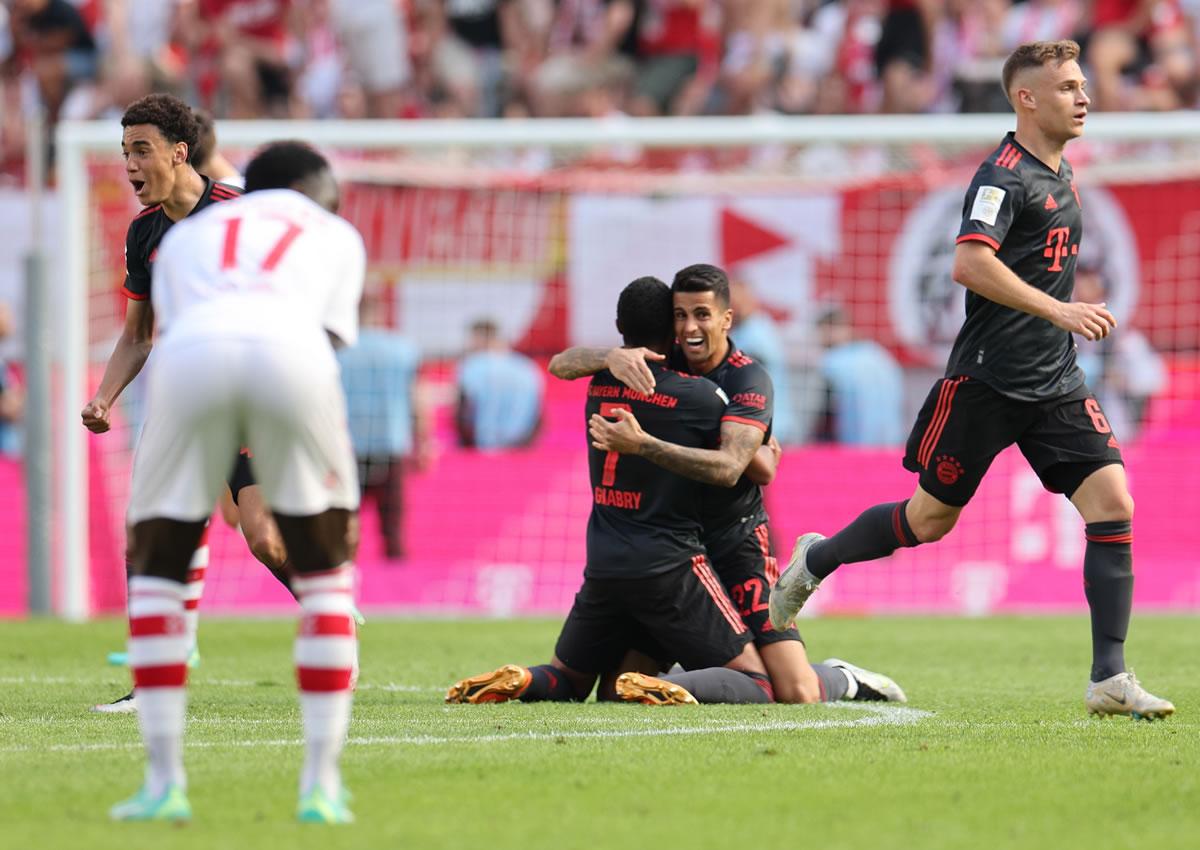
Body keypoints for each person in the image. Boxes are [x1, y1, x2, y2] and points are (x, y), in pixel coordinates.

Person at [769, 40, 1174, 721]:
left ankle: (1109, 677)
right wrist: (1060, 310)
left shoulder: (1062, 170)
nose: (1084, 96)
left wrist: (1059, 328)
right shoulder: (1002, 177)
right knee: (929, 521)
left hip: (1056, 383)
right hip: (987, 383)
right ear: (1027, 98)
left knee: (1114, 505)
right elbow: (967, 264)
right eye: (1069, 86)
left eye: (1082, 84)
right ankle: (817, 560)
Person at [110, 140, 365, 823]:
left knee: (161, 566)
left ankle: (163, 783)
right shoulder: (333, 233)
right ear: (314, 190)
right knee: (326, 572)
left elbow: (173, 327)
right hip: (290, 356)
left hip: (188, 365)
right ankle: (321, 785)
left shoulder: (188, 236)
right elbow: (330, 339)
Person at [553, 264, 904, 705]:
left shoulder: (747, 377)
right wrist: (608, 356)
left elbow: (745, 466)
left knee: (796, 692)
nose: (690, 327)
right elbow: (560, 365)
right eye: (680, 316)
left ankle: (842, 677)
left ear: (725, 319)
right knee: (616, 692)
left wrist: (645, 444)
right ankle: (697, 673)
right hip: (680, 549)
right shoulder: (665, 360)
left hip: (737, 546)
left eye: (701, 314)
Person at [446, 276, 776, 707]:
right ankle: (682, 684)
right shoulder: (701, 397)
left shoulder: (598, 382)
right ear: (671, 328)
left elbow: (562, 364)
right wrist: (767, 454)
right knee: (761, 685)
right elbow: (745, 465)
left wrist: (609, 358)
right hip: (671, 565)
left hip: (605, 562)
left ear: (620, 327)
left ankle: (526, 678)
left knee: (570, 680)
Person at [79, 94, 291, 713]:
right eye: (124, 153)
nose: (130, 165)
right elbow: (136, 335)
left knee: (263, 540)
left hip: (248, 393)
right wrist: (102, 397)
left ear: (178, 152)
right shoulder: (143, 233)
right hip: (179, 399)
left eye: (140, 150)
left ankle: (329, 610)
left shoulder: (240, 212)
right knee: (147, 538)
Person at [337, 307, 431, 560]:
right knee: (393, 524)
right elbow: (418, 398)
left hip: (346, 444)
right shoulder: (402, 349)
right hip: (390, 442)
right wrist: (424, 442)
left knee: (343, 519)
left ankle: (341, 574)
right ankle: (396, 576)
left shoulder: (336, 349)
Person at [814, 303, 906, 446]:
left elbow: (825, 409)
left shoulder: (833, 361)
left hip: (853, 441)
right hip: (890, 441)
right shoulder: (878, 353)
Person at [455, 318, 543, 450]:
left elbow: (462, 410)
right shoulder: (528, 367)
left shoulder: (471, 366)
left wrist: (467, 446)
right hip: (520, 444)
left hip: (482, 446)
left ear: (478, 340)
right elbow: (539, 415)